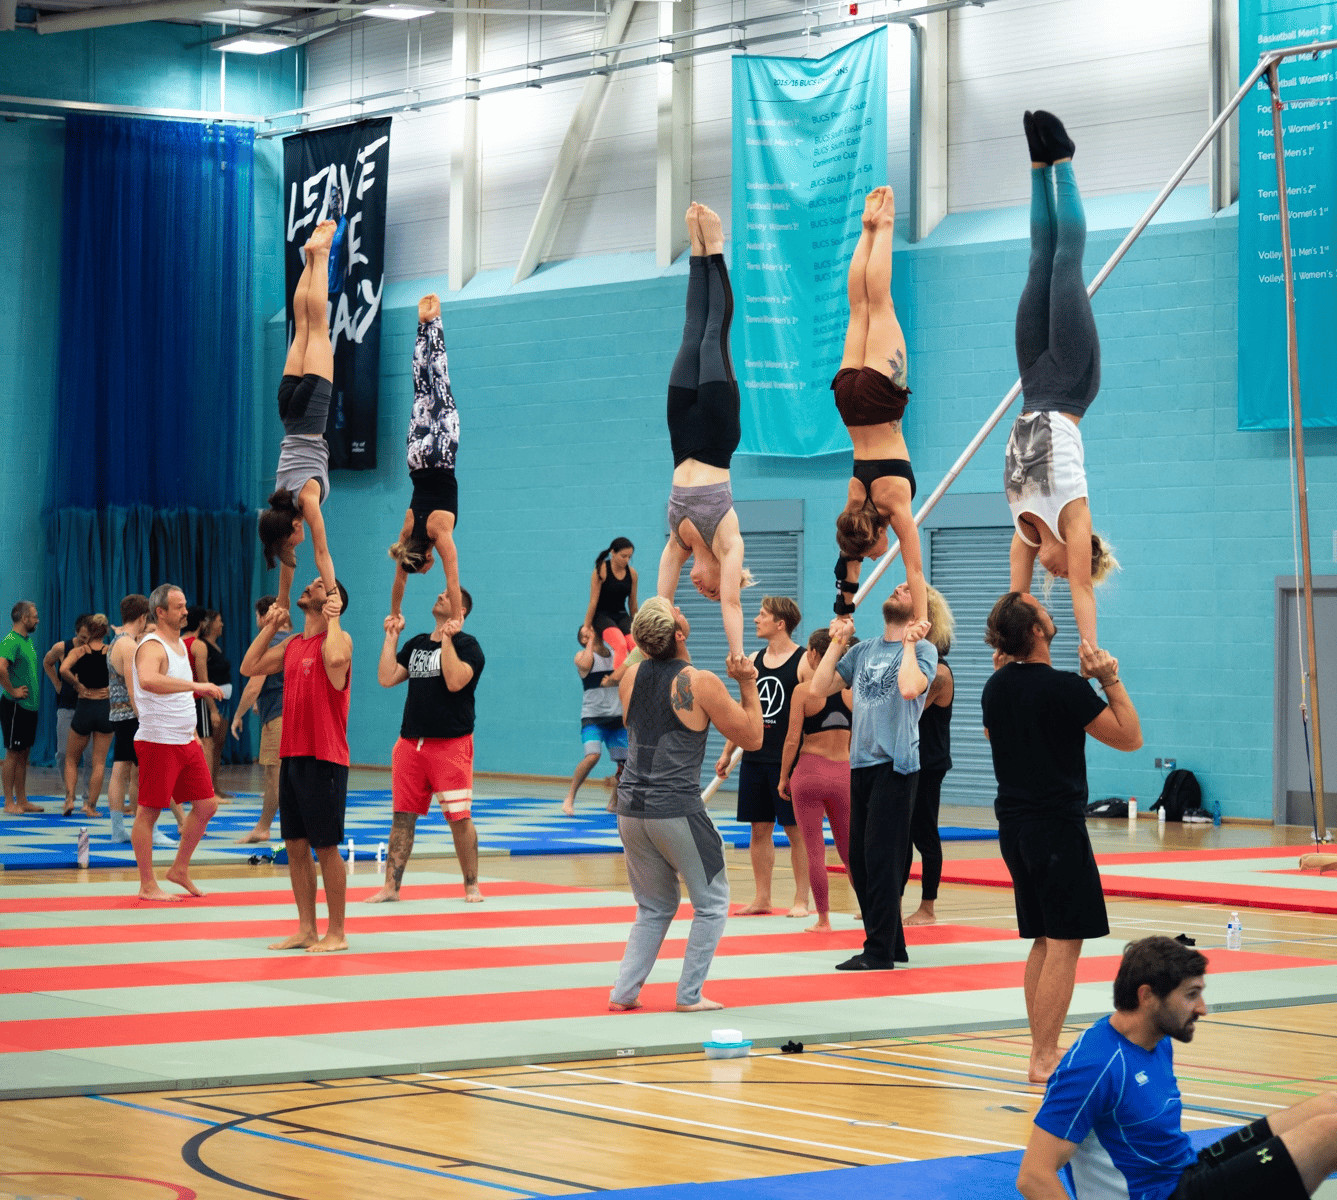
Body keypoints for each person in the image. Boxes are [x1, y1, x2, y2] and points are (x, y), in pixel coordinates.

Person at [1018, 935, 1337, 1200]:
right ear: (1147, 996)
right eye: (1191, 995)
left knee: (1330, 1106)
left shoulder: (1157, 1038)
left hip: (1186, 1172)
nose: (1203, 1009)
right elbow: (1033, 1176)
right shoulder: (1093, 1066)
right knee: (1329, 1132)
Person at [982, 590, 1142, 1082]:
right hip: (1055, 828)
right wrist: (1109, 679)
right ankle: (1043, 1055)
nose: (1051, 611)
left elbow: (998, 733)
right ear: (1036, 630)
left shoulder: (995, 686)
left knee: (1044, 940)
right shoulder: (1065, 687)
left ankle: (1040, 1049)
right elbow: (1129, 736)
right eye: (1042, 609)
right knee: (1065, 943)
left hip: (1014, 828)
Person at [609, 597, 763, 1013]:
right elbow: (753, 738)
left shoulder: (630, 675)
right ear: (678, 634)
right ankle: (689, 995)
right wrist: (747, 681)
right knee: (712, 904)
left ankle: (623, 993)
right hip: (675, 809)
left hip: (630, 810)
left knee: (654, 906)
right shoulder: (699, 681)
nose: (681, 608)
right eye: (676, 611)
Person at [1005, 111, 1119, 651]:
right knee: (1065, 262)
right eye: (1067, 569)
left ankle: (1037, 165)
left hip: (1033, 384)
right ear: (1080, 552)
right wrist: (1089, 649)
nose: (1054, 574)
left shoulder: (1026, 533)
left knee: (1037, 262)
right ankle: (1065, 160)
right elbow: (1081, 590)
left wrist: (1007, 646)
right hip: (1073, 382)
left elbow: (1016, 600)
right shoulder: (1074, 519)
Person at [809, 581, 936, 970]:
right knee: (860, 861)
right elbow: (819, 687)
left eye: (909, 589)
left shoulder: (924, 651)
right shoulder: (863, 650)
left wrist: (910, 643)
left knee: (881, 859)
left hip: (896, 765)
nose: (899, 586)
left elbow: (910, 688)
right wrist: (837, 641)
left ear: (921, 610)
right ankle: (892, 944)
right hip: (860, 764)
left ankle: (878, 951)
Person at [830, 187, 929, 640]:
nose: (873, 557)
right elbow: (846, 564)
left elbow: (913, 567)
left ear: (873, 534)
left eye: (872, 554)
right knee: (857, 309)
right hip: (848, 402)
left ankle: (884, 224)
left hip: (879, 395)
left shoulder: (893, 503)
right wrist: (843, 611)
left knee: (879, 302)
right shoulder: (853, 506)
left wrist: (921, 619)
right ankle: (865, 229)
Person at [656, 203, 751, 665]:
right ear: (724, 578)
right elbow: (733, 604)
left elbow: (660, 602)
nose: (704, 591)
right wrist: (738, 657)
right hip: (717, 428)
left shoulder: (679, 542)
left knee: (690, 332)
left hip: (680, 433)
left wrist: (653, 643)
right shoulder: (729, 542)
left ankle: (695, 253)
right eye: (710, 592)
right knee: (715, 334)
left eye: (704, 595)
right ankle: (715, 249)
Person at [240, 575, 352, 953]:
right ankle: (306, 929)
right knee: (295, 846)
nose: (309, 585)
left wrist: (334, 618)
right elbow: (249, 666)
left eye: (320, 585)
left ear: (333, 600)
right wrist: (271, 626)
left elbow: (335, 659)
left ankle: (336, 933)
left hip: (324, 757)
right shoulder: (292, 644)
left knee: (326, 847)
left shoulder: (339, 640)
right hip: (291, 754)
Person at [368, 586, 485, 904]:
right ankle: (391, 887)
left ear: (461, 611)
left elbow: (455, 681)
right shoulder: (417, 643)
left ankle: (471, 885)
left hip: (451, 745)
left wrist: (448, 638)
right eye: (441, 592)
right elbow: (386, 677)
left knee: (459, 817)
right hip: (410, 743)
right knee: (402, 817)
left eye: (448, 595)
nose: (440, 595)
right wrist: (391, 637)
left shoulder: (468, 646)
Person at [258, 219, 340, 617]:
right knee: (302, 327)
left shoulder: (307, 501)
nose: (299, 541)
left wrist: (334, 593)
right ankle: (309, 260)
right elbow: (287, 556)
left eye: (293, 539)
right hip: (287, 412)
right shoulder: (279, 500)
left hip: (311, 417)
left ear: (292, 527)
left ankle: (320, 255)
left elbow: (322, 552)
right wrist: (283, 599)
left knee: (318, 326)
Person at [716, 596, 809, 917]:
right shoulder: (753, 660)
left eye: (762, 615)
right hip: (755, 757)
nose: (755, 620)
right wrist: (728, 752)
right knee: (759, 830)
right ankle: (762, 898)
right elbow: (746, 710)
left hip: (788, 761)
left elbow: (812, 713)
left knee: (796, 831)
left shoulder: (803, 662)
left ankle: (801, 899)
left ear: (780, 624)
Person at [130, 584, 224, 902]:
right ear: (160, 612)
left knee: (207, 805)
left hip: (185, 739)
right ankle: (147, 884)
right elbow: (148, 680)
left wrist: (193, 729)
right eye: (179, 607)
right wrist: (197, 686)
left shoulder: (181, 644)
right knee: (149, 813)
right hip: (158, 741)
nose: (186, 611)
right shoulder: (152, 645)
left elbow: (177, 696)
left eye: (185, 605)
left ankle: (179, 869)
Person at [387, 292, 465, 626]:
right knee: (421, 388)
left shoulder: (440, 533)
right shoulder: (406, 531)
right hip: (417, 459)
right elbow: (399, 580)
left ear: (428, 560)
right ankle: (422, 326)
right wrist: (394, 611)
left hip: (442, 455)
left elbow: (452, 580)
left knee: (441, 383)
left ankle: (436, 320)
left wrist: (457, 618)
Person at [778, 628, 853, 933]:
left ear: (812, 655)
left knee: (815, 851)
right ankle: (869, 911)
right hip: (844, 773)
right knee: (849, 850)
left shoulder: (804, 691)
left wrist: (783, 776)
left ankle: (823, 919)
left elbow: (792, 739)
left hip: (809, 772)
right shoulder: (852, 691)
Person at [903, 585, 955, 926]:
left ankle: (928, 907)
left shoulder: (938, 673)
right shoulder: (914, 663)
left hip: (928, 761)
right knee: (900, 834)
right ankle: (890, 902)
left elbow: (905, 708)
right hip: (905, 757)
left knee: (924, 833)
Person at [230, 595, 292, 844]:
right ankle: (267, 827)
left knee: (274, 776)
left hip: (278, 715)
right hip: (285, 712)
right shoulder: (292, 640)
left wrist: (238, 715)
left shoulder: (270, 642)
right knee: (280, 775)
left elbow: (253, 685)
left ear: (264, 616)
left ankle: (270, 828)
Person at [106, 595, 160, 845]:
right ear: (142, 617)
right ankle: (149, 829)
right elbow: (132, 689)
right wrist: (144, 718)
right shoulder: (128, 646)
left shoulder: (117, 642)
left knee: (123, 770)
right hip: (131, 716)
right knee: (145, 772)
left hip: (120, 715)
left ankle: (120, 829)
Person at [563, 625, 627, 816]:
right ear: (584, 639)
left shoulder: (615, 654)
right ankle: (570, 797)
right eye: (587, 631)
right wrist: (590, 639)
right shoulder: (581, 656)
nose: (594, 629)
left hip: (616, 718)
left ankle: (614, 802)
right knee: (592, 756)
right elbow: (585, 665)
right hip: (593, 718)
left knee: (626, 763)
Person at [60, 613, 113, 818]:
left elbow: (63, 669)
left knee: (71, 759)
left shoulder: (79, 651)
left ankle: (69, 799)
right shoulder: (111, 652)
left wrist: (77, 684)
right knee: (99, 763)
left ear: (88, 631)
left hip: (84, 707)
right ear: (105, 631)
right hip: (104, 708)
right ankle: (90, 806)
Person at [0, 601, 42, 815]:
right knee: (13, 754)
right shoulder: (11, 641)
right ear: (24, 618)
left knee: (24, 754)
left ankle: (22, 799)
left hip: (29, 707)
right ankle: (9, 802)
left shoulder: (26, 641)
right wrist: (13, 691)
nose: (37, 620)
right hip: (15, 706)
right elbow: (1, 668)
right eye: (34, 616)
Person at [44, 615, 90, 805]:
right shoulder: (61, 647)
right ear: (76, 632)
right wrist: (57, 683)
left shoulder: (97, 648)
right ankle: (69, 792)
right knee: (63, 754)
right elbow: (47, 662)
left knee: (90, 757)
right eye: (82, 638)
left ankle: (89, 798)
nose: (85, 642)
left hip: (90, 707)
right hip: (67, 706)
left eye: (89, 638)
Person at [191, 610, 233, 797]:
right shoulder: (202, 646)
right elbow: (203, 678)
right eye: (219, 621)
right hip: (211, 702)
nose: (222, 624)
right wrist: (212, 708)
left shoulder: (216, 646)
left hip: (224, 701)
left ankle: (215, 784)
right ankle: (208, 789)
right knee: (210, 745)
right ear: (209, 624)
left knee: (219, 745)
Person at [580, 539, 639, 669]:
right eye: (623, 556)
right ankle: (617, 679)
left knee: (636, 647)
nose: (627, 560)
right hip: (602, 616)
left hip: (622, 616)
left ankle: (635, 678)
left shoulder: (632, 574)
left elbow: (633, 604)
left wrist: (639, 626)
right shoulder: (601, 570)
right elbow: (593, 601)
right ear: (613, 553)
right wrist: (586, 626)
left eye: (629, 557)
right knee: (621, 645)